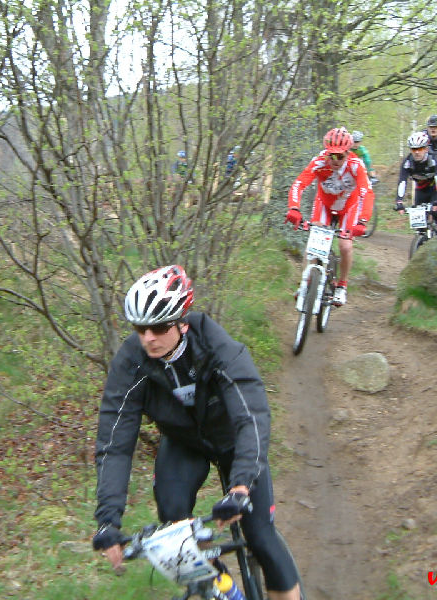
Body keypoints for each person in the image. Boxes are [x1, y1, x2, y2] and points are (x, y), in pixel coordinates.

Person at [91, 265, 302, 600]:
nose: (148, 338)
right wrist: (108, 521)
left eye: (158, 327)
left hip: (233, 438)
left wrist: (242, 483)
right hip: (184, 442)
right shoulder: (132, 362)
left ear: (182, 322)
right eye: (140, 328)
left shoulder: (217, 347)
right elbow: (114, 443)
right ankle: (221, 586)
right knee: (175, 524)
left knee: (260, 535)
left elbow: (252, 416)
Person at [285, 127, 374, 306]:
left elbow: (367, 193)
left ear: (348, 153)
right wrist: (294, 208)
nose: (335, 160)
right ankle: (306, 283)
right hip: (324, 204)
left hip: (349, 206)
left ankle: (342, 286)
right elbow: (299, 184)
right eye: (331, 155)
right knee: (313, 244)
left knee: (345, 246)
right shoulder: (319, 161)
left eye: (340, 156)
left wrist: (363, 220)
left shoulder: (356, 166)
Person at [394, 131, 437, 233]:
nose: (417, 152)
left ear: (426, 148)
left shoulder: (434, 159)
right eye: (414, 149)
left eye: (420, 149)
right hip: (421, 190)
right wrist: (399, 201)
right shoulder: (407, 162)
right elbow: (402, 182)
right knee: (420, 225)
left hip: (435, 188)